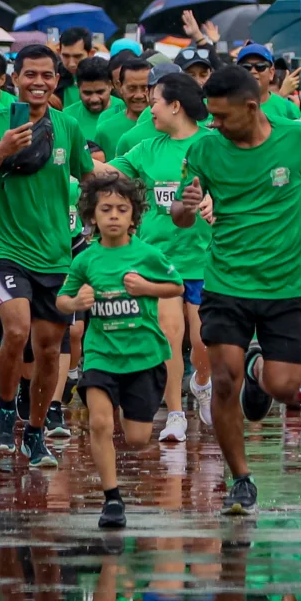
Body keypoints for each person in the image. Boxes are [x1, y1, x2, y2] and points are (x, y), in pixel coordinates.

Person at [171, 63, 301, 516]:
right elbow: (181, 214)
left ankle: (258, 368)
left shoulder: (298, 136)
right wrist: (184, 208)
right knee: (223, 380)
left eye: (223, 116)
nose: (214, 124)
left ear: (252, 106)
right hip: (227, 280)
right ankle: (241, 479)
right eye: (211, 115)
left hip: (287, 283)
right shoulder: (206, 148)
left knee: (286, 388)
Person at [0, 41, 96, 468]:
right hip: (5, 251)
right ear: (13, 78)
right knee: (16, 332)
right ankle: (4, 410)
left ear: (57, 80)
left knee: (48, 347)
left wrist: (108, 225)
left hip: (57, 257)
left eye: (47, 75)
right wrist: (1, 151)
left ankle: (36, 432)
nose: (38, 82)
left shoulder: (68, 127)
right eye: (30, 74)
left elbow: (88, 176)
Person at [57, 173, 183, 528]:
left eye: (122, 209)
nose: (114, 216)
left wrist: (145, 287)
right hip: (101, 354)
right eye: (106, 209)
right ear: (92, 216)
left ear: (134, 216)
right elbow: (62, 300)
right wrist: (76, 302)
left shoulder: (147, 254)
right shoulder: (86, 261)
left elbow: (175, 286)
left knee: (138, 437)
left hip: (143, 356)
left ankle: (122, 476)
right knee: (99, 422)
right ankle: (111, 499)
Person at [118, 70, 207, 441]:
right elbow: (109, 173)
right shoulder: (146, 148)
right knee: (170, 334)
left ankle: (202, 382)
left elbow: (236, 183)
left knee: (204, 338)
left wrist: (217, 199)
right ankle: (174, 413)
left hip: (206, 258)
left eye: (154, 100)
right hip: (160, 259)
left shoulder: (212, 144)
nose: (148, 107)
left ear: (175, 105)